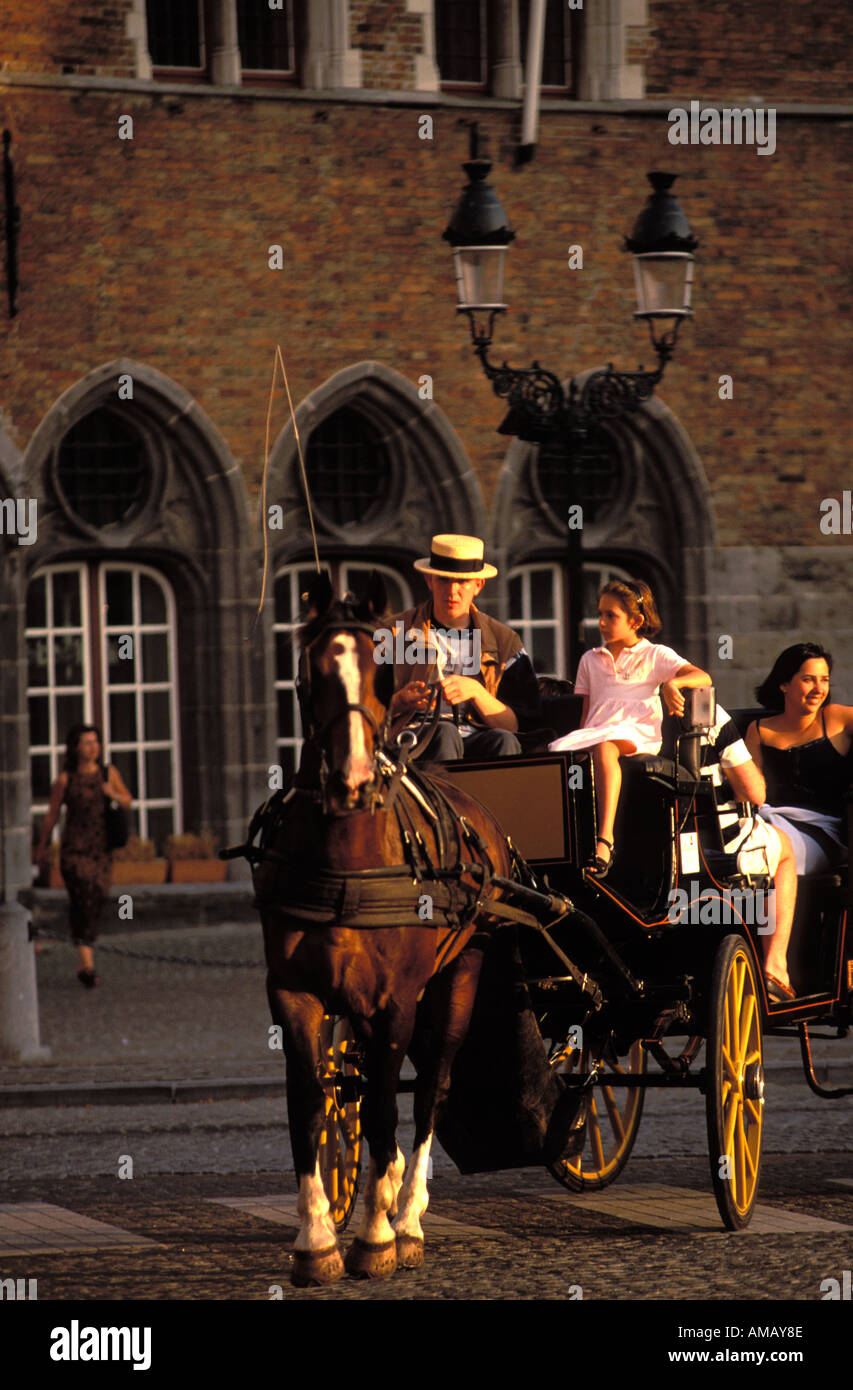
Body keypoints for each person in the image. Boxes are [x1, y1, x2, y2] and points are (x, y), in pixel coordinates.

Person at [548, 579, 711, 876]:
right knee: (555, 754)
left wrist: (673, 682)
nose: (601, 621)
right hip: (598, 731)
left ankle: (605, 839)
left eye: (611, 615)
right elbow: (588, 716)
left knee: (605, 746)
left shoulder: (655, 655)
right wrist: (578, 745)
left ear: (636, 621)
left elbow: (702, 676)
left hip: (636, 732)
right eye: (600, 613)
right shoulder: (589, 660)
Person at [388, 534, 541, 760]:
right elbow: (359, 707)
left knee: (505, 741)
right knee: (445, 732)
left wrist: (477, 693)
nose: (452, 592)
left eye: (462, 582)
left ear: (478, 585)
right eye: (443, 580)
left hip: (479, 737)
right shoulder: (391, 633)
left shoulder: (505, 642)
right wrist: (399, 701)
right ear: (429, 581)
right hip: (413, 741)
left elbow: (521, 727)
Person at [701, 702, 797, 1002]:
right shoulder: (706, 711)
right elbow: (755, 793)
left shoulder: (609, 711)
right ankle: (775, 967)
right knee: (785, 848)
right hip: (711, 847)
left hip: (634, 858)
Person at [34, 724, 132, 988]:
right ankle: (87, 963)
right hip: (74, 849)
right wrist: (42, 846)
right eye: (87, 743)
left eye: (96, 742)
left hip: (101, 849)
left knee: (97, 896)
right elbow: (52, 815)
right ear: (76, 747)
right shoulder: (65, 779)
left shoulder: (108, 773)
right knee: (83, 896)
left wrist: (113, 793)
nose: (93, 747)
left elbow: (128, 800)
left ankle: (83, 951)